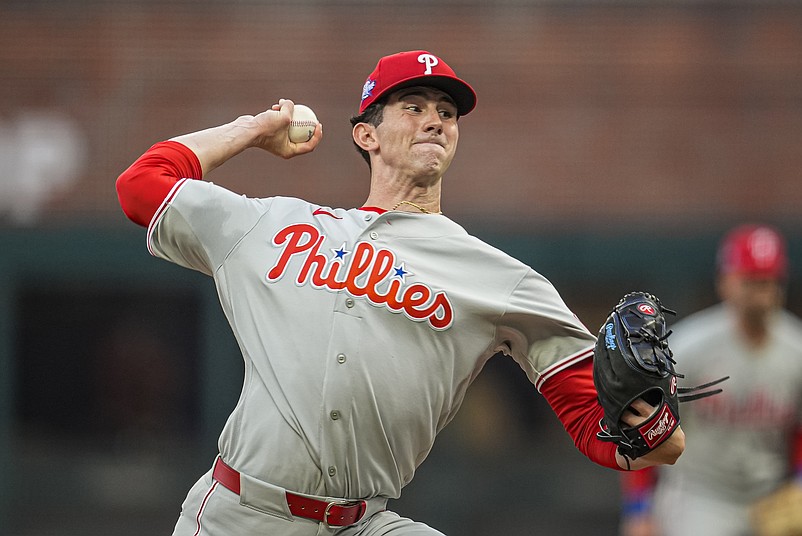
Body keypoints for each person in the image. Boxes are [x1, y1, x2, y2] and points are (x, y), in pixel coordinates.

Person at [116, 50, 684, 536]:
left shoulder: (498, 278)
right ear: (366, 134)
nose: (434, 120)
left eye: (446, 112)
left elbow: (616, 433)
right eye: (412, 107)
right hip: (241, 515)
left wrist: (652, 425)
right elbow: (141, 186)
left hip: (364, 522)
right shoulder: (271, 226)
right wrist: (253, 129)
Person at [619, 224, 802, 536]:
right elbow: (644, 433)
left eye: (768, 281)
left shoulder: (795, 348)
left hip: (770, 495)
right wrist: (639, 508)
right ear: (725, 282)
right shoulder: (688, 348)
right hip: (700, 497)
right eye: (750, 280)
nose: (761, 290)